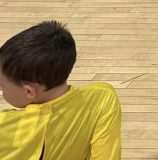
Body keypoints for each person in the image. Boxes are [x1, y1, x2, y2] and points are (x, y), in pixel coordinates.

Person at [0, 21, 121, 160]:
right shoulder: (102, 98)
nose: (2, 90)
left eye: (2, 86)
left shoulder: (5, 127)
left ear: (29, 92)